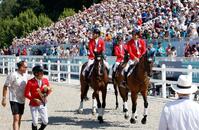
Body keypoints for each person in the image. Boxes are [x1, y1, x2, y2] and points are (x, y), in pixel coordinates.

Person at [1, 61, 28, 130]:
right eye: (25, 67)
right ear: (20, 67)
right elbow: (5, 86)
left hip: (22, 99)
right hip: (14, 99)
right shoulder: (13, 75)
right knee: (16, 118)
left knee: (19, 119)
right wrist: (4, 98)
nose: (26, 68)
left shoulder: (25, 75)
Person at [24, 65, 52, 130]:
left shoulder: (45, 80)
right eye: (41, 72)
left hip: (43, 103)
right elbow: (26, 94)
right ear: (36, 73)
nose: (43, 74)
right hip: (33, 104)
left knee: (45, 121)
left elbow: (47, 91)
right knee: (35, 122)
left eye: (43, 72)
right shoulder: (30, 82)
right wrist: (33, 99)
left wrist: (47, 93)